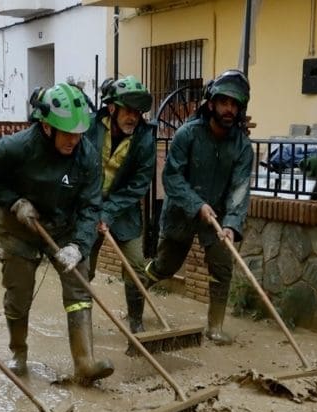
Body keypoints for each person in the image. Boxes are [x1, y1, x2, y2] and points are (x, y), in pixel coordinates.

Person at [0, 81, 113, 385]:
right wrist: (14, 202)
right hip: (19, 227)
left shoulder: (87, 156)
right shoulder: (16, 147)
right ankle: (18, 354)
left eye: (78, 134)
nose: (74, 141)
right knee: (19, 292)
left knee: (79, 284)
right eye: (67, 134)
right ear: (47, 127)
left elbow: (91, 207)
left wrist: (79, 245)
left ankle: (84, 362)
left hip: (63, 226)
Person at [143, 69, 254, 345]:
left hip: (216, 216)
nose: (229, 109)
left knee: (223, 267)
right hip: (182, 210)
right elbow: (171, 177)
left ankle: (214, 327)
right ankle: (138, 292)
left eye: (234, 104)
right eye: (224, 102)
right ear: (211, 103)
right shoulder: (187, 134)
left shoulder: (242, 146)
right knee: (165, 266)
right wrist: (196, 204)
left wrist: (231, 224)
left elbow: (240, 188)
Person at [84, 75, 156, 333]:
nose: (133, 117)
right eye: (128, 110)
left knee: (136, 266)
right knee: (83, 268)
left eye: (137, 112)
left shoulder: (146, 138)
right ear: (112, 108)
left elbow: (139, 184)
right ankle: (81, 324)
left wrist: (110, 212)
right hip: (87, 207)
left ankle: (135, 324)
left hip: (123, 210)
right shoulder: (89, 128)